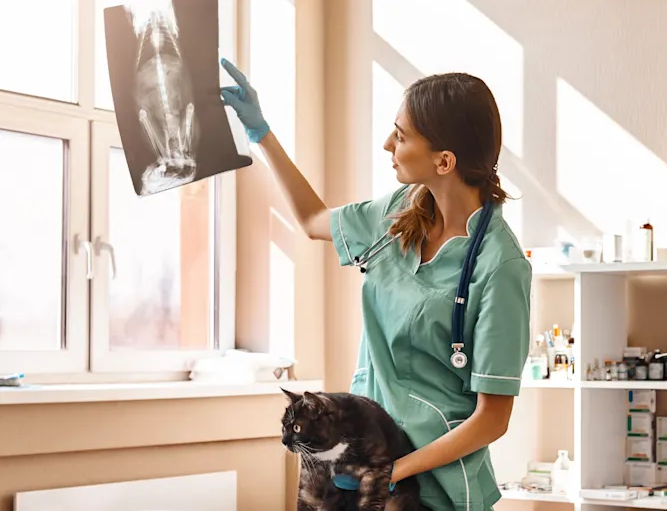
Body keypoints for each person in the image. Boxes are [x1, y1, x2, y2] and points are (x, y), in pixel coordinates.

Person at [219, 57, 532, 511]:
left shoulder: (499, 265)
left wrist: (396, 470)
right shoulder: (399, 213)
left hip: (430, 486)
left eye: (401, 136)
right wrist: (260, 133)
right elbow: (311, 220)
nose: (388, 143)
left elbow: (491, 419)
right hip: (361, 466)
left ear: (445, 160)